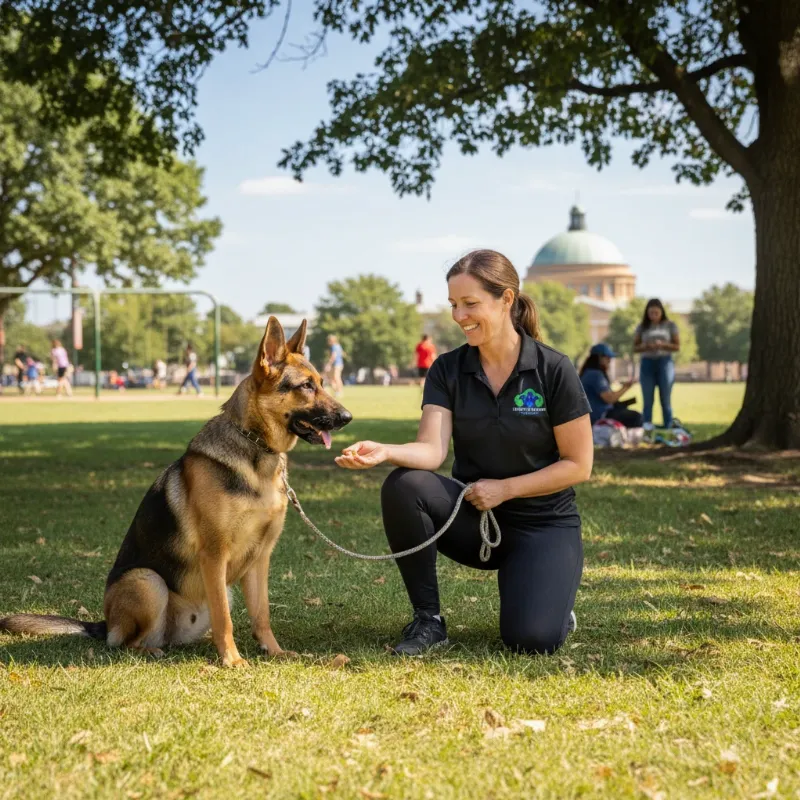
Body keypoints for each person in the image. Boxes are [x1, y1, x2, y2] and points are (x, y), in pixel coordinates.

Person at [335, 249, 593, 657]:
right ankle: (428, 620)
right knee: (405, 484)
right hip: (473, 517)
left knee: (533, 640)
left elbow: (578, 465)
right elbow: (431, 450)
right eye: (454, 304)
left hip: (543, 524)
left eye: (470, 304)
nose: (459, 316)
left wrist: (506, 489)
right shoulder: (447, 369)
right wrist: (385, 450)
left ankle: (552, 602)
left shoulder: (553, 369)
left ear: (506, 299)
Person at [634, 299, 680, 428]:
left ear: (661, 312)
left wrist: (663, 345)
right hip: (647, 363)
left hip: (664, 362)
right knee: (648, 400)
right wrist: (647, 346)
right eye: (651, 313)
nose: (653, 315)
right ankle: (647, 427)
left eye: (656, 312)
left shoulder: (670, 325)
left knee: (665, 399)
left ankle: (668, 426)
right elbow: (635, 347)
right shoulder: (642, 327)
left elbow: (677, 346)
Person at [579, 343, 642, 427]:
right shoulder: (595, 375)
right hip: (600, 416)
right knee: (636, 417)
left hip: (595, 415)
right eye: (607, 358)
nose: (609, 360)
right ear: (599, 358)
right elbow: (609, 398)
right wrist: (626, 387)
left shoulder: (589, 373)